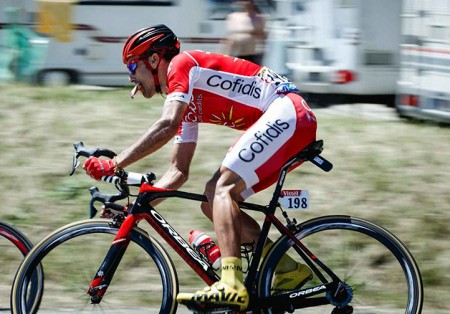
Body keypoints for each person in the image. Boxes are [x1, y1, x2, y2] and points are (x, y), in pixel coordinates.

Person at [83, 24, 316, 311]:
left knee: (223, 189)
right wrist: (134, 212)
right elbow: (178, 172)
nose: (130, 75)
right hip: (287, 120)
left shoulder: (181, 66)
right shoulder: (186, 102)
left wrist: (115, 163)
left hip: (287, 112)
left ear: (154, 60)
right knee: (212, 200)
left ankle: (231, 283)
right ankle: (287, 269)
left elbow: (167, 125)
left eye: (132, 65)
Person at [221, 0, 267, 64]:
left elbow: (261, 34)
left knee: (249, 66)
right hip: (235, 49)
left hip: (250, 50)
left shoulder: (259, 18)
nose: (246, 4)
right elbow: (230, 35)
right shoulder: (234, 16)